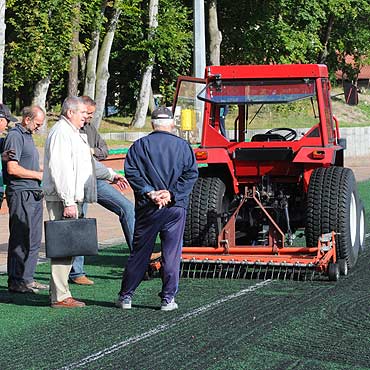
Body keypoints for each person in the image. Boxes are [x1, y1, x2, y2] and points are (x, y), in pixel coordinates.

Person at [43, 96, 129, 308]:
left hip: (70, 197)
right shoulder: (62, 133)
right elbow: (60, 170)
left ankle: (61, 294)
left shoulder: (73, 133)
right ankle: (61, 297)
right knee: (64, 247)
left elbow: (86, 163)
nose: (87, 117)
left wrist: (111, 175)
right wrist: (68, 201)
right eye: (83, 113)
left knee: (69, 247)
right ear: (70, 112)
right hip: (64, 198)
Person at [116, 107, 198, 311]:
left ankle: (126, 296)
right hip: (174, 207)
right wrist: (171, 194)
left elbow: (132, 173)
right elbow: (190, 174)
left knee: (140, 252)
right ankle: (168, 299)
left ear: (152, 124)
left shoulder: (139, 146)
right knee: (171, 253)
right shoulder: (183, 146)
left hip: (148, 208)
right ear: (171, 123)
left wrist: (150, 192)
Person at [68, 96, 135, 285]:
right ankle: (76, 272)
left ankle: (138, 254)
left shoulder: (89, 128)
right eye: (86, 113)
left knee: (127, 208)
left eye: (91, 114)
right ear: (76, 111)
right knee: (80, 222)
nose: (89, 117)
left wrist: (91, 151)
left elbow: (103, 150)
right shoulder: (67, 132)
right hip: (79, 182)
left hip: (96, 178)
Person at [2, 105, 47, 294]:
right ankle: (15, 280)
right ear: (27, 119)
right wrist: (38, 175)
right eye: (37, 123)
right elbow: (13, 169)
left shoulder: (28, 136)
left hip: (34, 193)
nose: (39, 128)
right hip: (21, 192)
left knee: (34, 238)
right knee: (20, 237)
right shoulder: (15, 136)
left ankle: (28, 279)